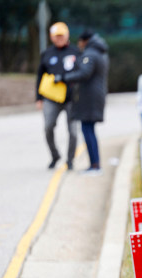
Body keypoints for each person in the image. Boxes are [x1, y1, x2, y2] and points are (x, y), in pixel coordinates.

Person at [56, 30, 109, 174]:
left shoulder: (90, 54)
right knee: (89, 130)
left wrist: (64, 78)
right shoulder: (99, 52)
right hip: (94, 97)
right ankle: (95, 164)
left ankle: (95, 165)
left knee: (87, 130)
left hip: (89, 98)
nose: (78, 45)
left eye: (79, 42)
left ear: (84, 41)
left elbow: (85, 73)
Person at [36, 21, 80, 170]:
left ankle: (70, 160)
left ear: (67, 35)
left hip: (71, 97)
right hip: (51, 97)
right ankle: (55, 155)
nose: (59, 38)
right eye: (56, 36)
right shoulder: (47, 53)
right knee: (48, 127)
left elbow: (82, 72)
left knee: (73, 131)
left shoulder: (75, 52)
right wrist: (38, 97)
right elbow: (40, 76)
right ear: (51, 37)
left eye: (61, 35)